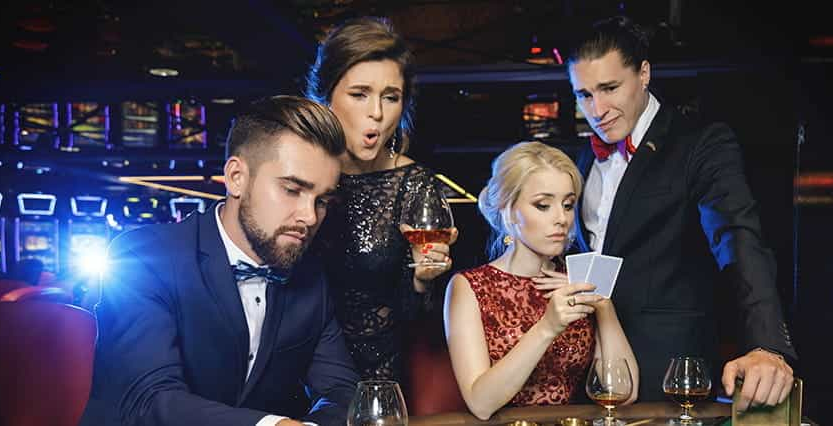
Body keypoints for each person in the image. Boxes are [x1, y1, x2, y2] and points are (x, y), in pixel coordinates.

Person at [80, 96, 358, 426]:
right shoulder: (144, 257)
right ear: (236, 177)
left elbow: (344, 392)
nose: (310, 217)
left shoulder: (310, 277)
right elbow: (149, 400)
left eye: (322, 200)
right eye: (292, 190)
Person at [566, 15, 796, 409]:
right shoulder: (583, 156)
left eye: (609, 88)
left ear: (644, 74)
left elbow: (738, 239)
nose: (597, 109)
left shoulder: (701, 143)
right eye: (584, 94)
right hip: (584, 375)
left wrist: (768, 345)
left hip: (668, 378)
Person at [307, 16, 457, 382]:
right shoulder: (299, 174)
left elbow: (421, 322)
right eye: (360, 94)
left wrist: (422, 281)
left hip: (377, 376)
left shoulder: (414, 184)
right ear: (327, 96)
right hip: (291, 370)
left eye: (390, 97)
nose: (376, 112)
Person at [444, 141, 638, 420]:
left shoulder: (579, 281)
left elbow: (623, 393)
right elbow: (481, 403)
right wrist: (548, 326)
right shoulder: (469, 286)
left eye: (568, 205)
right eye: (543, 205)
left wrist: (603, 306)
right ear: (508, 209)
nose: (562, 218)